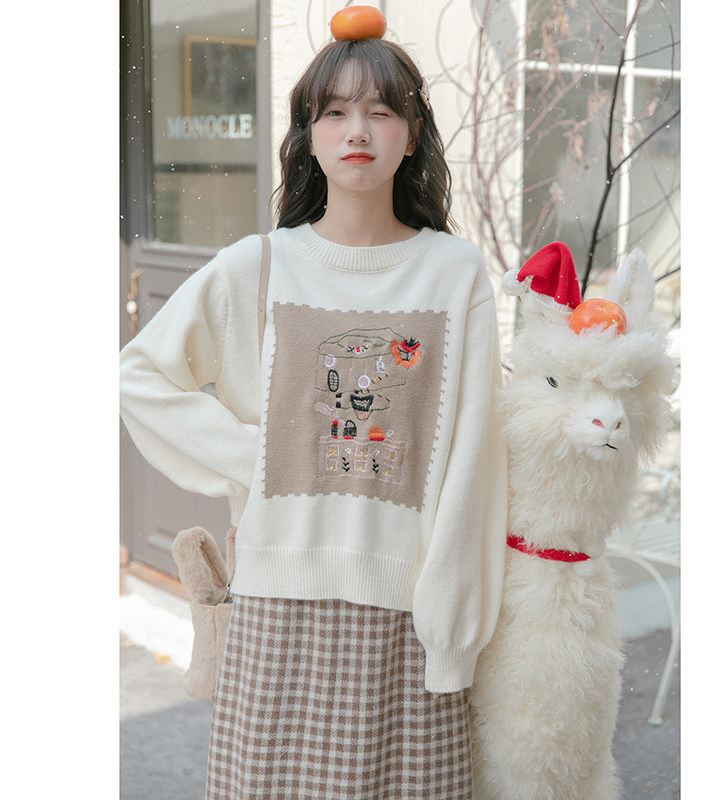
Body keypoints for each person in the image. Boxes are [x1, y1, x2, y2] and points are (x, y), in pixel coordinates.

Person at [120, 27, 507, 800]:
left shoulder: (455, 274)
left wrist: (453, 635)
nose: (357, 129)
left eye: (380, 111)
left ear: (413, 135)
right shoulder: (258, 266)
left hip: (408, 620)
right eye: (333, 112)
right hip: (276, 612)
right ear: (308, 134)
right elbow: (139, 375)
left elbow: (473, 462)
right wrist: (254, 459)